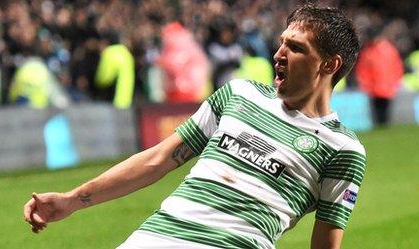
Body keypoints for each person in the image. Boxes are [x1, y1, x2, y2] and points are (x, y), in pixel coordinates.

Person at [23, 4, 366, 249]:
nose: (279, 53)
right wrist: (72, 200)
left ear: (330, 64)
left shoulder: (342, 149)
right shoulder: (239, 94)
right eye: (281, 42)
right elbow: (157, 160)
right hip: (154, 238)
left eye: (295, 48)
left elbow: (326, 243)